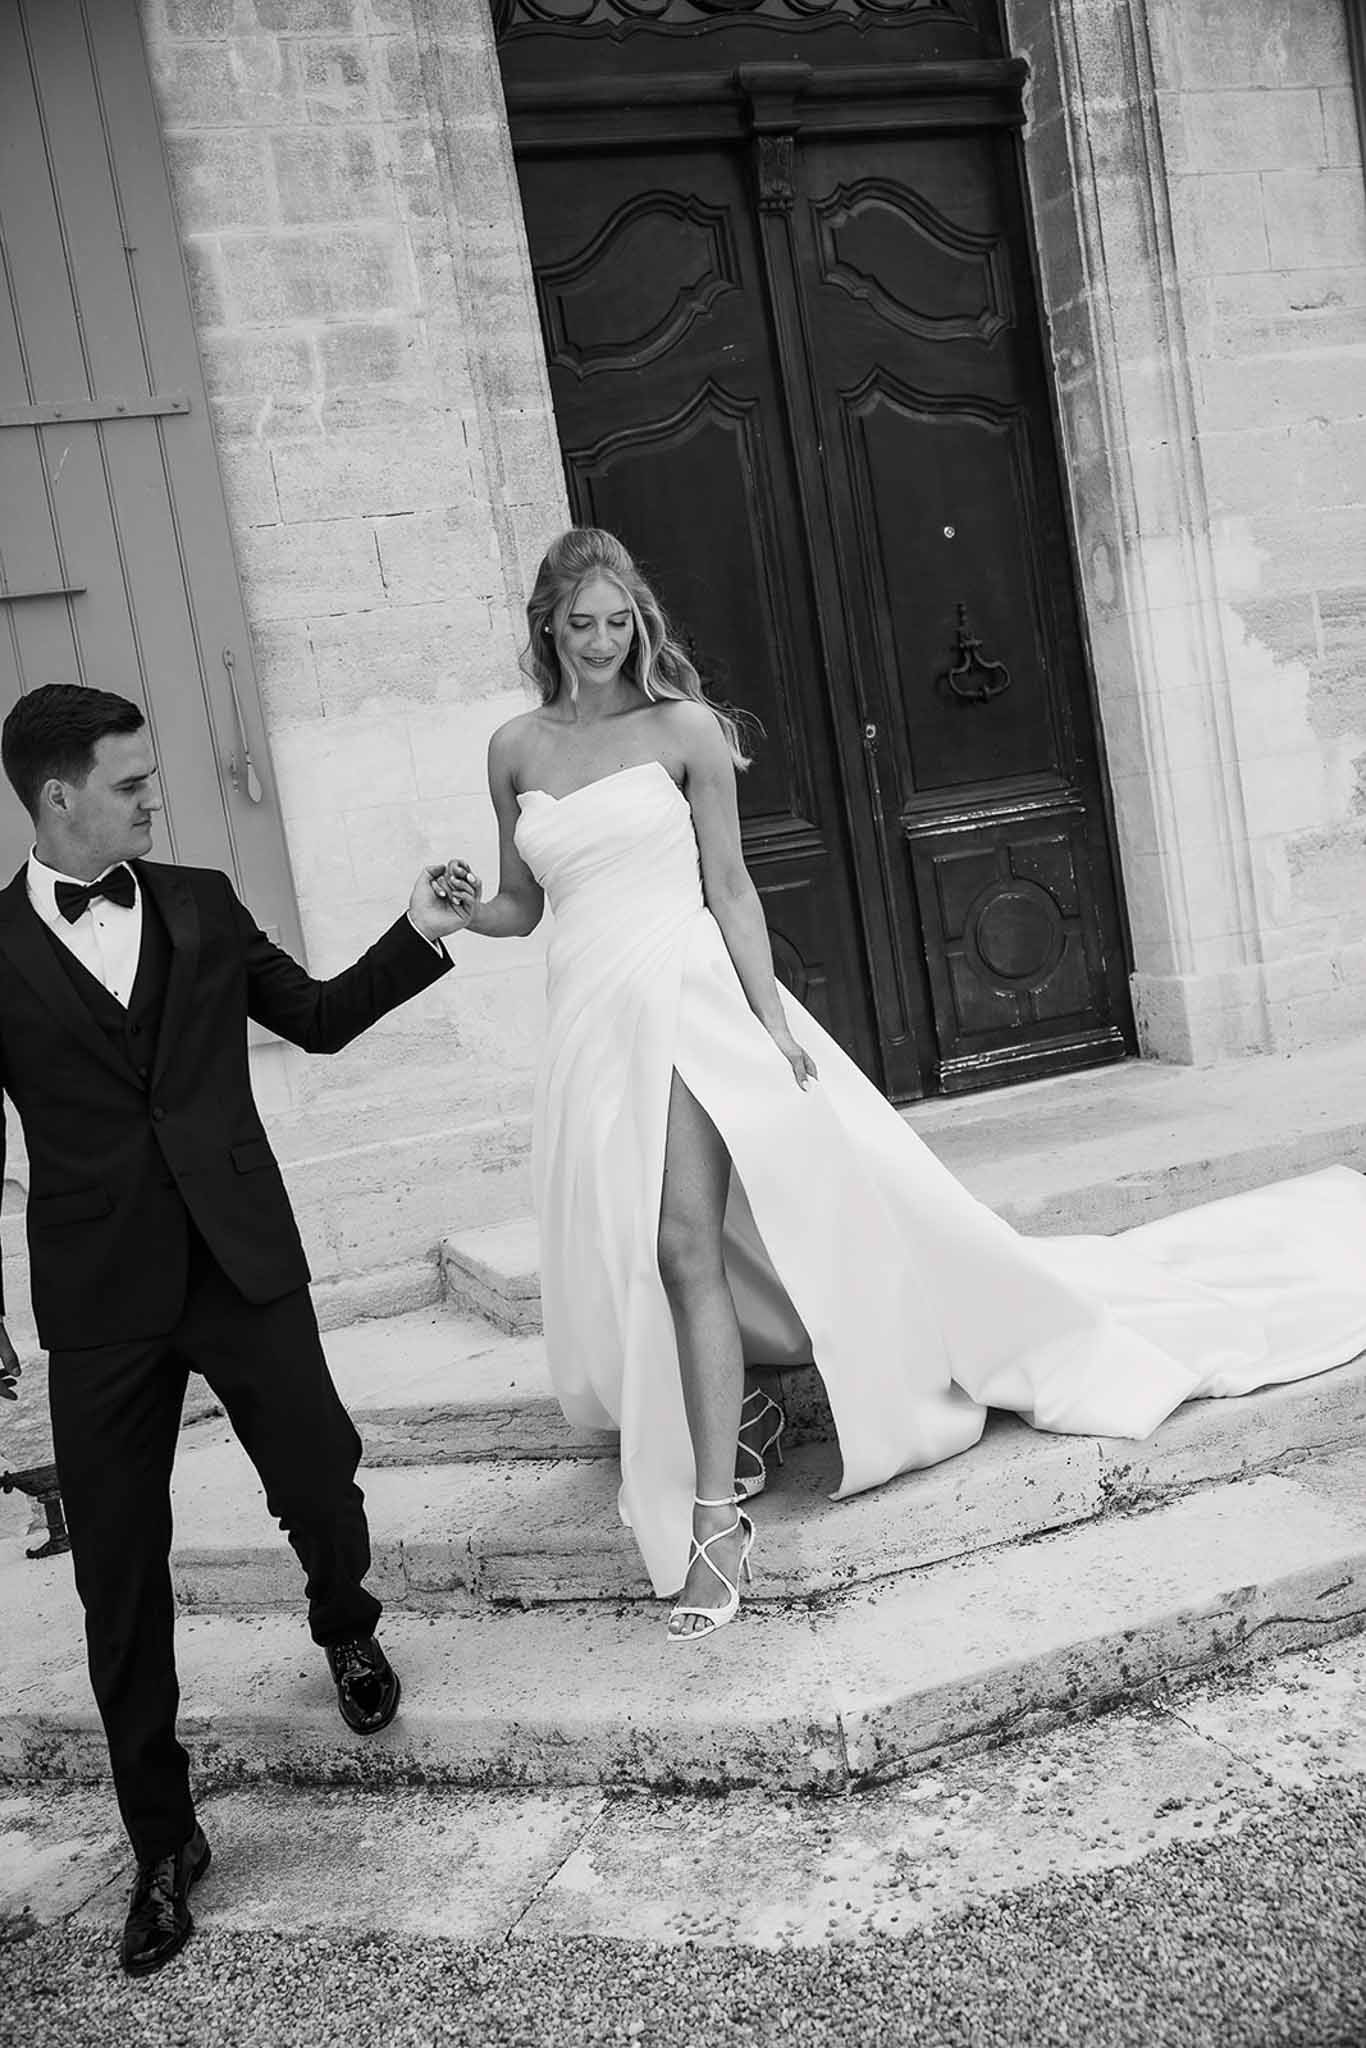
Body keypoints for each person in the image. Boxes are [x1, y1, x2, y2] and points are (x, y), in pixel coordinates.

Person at [460, 527, 1366, 1644]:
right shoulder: (514, 749)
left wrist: (769, 1022)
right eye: (580, 623)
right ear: (547, 625)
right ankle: (740, 1407)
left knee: (682, 1244)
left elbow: (731, 887)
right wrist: (461, 911)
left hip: (683, 997)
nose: (601, 641)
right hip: (587, 1020)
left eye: (617, 620)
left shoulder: (683, 728)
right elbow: (523, 904)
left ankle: (711, 1523)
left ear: (637, 621)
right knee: (634, 1248)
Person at [0, 683, 477, 1976]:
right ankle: (163, 1841)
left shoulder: (202, 903)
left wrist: (417, 931)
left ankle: (344, 1618)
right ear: (57, 797)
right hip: (100, 1299)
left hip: (237, 1259)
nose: (153, 800)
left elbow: (314, 1018)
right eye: (129, 784)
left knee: (319, 1473)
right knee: (115, 1573)